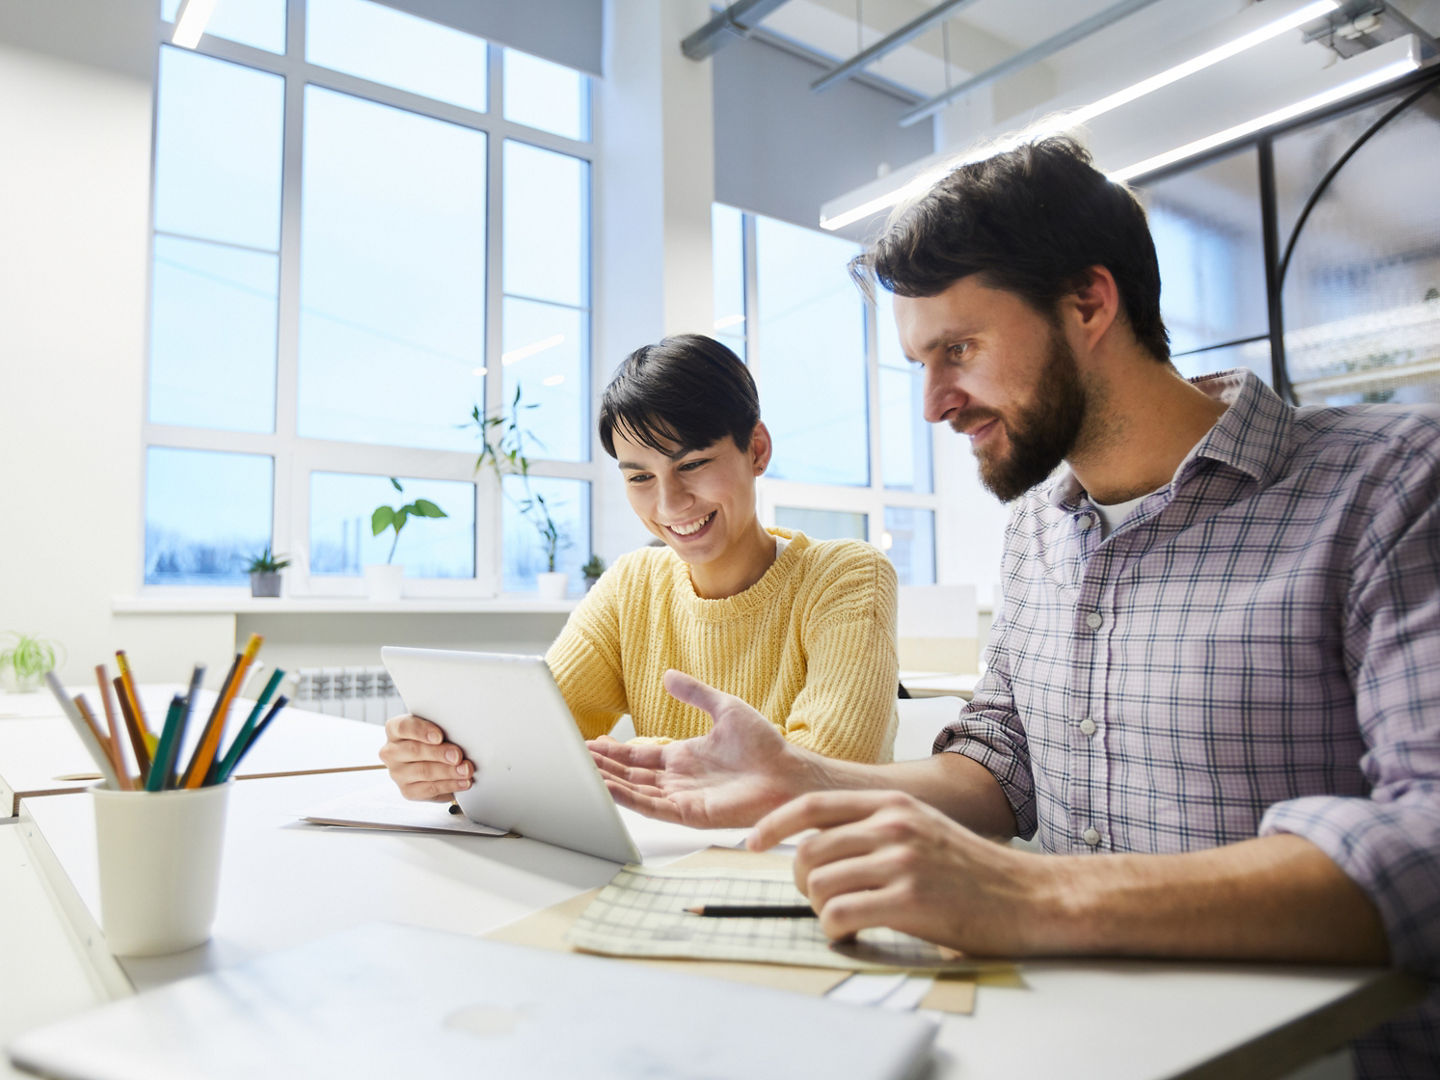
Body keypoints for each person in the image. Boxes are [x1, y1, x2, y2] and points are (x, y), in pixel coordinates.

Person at [590, 138, 1440, 1076]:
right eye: (920, 361)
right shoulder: (1041, 522)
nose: (934, 405)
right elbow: (1002, 772)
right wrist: (805, 778)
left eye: (958, 349)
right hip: (1067, 1040)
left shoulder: (1393, 485)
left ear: (1088, 303)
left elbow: (1427, 842)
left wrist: (1037, 898)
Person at [380, 333, 900, 803]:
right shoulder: (633, 585)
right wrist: (451, 766)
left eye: (692, 464)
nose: (671, 505)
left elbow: (830, 769)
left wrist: (603, 760)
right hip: (669, 861)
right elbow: (535, 741)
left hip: (809, 875)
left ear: (756, 450)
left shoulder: (847, 575)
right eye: (639, 478)